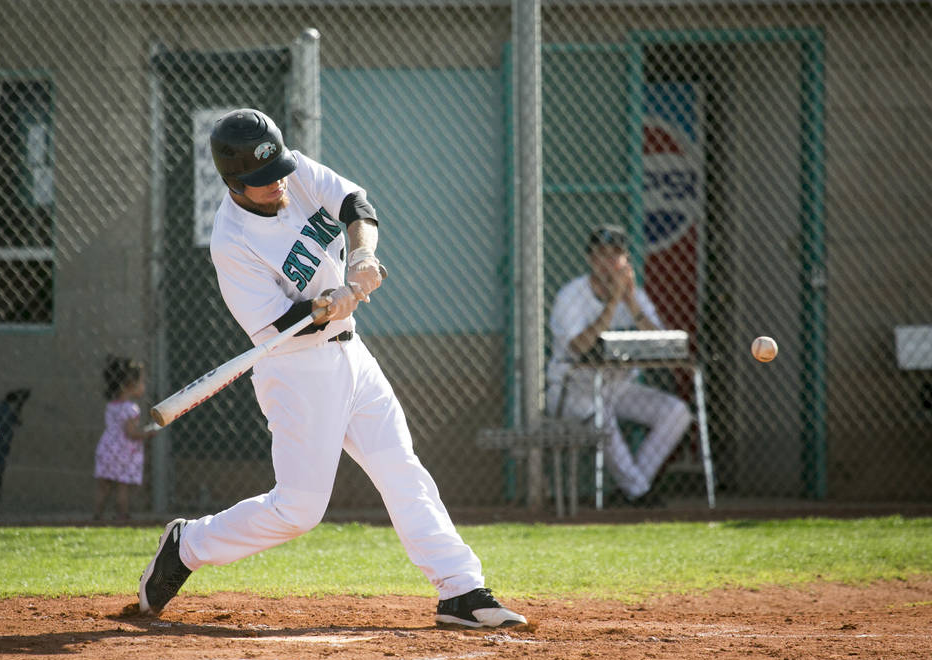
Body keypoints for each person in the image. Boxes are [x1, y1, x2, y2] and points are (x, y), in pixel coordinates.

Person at [138, 108, 526, 629]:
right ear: (233, 182)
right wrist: (325, 304)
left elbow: (355, 205)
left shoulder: (292, 171)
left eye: (277, 169)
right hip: (296, 372)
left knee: (401, 468)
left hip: (352, 356)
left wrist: (362, 259)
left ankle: (460, 590)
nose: (276, 182)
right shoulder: (231, 242)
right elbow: (277, 328)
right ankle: (189, 544)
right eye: (260, 180)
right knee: (298, 511)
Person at [546, 224, 692, 506]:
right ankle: (638, 493)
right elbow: (579, 346)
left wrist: (633, 305)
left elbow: (662, 344)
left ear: (626, 260)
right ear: (590, 259)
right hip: (573, 390)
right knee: (602, 418)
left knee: (677, 412)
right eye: (602, 254)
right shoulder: (571, 295)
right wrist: (612, 304)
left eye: (617, 255)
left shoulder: (635, 295)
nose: (610, 263)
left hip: (619, 387)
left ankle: (633, 488)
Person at [94, 356, 157, 521]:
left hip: (106, 448)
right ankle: (122, 515)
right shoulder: (131, 408)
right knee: (122, 486)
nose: (143, 386)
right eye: (141, 382)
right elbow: (130, 433)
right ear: (130, 384)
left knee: (104, 486)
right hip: (123, 452)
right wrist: (148, 433)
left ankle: (97, 515)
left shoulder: (111, 405)